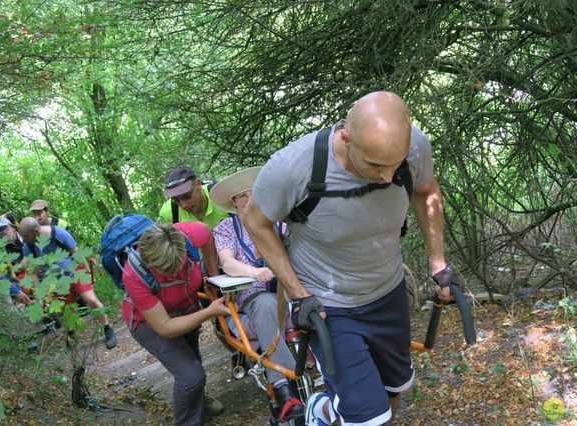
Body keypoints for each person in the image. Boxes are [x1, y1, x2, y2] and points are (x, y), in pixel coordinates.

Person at [243, 92, 464, 426]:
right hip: (328, 305)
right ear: (346, 138)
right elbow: (255, 221)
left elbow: (426, 191)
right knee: (370, 418)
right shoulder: (294, 167)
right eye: (376, 166)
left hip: (387, 292)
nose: (388, 178)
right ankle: (329, 411)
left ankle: (325, 411)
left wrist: (438, 263)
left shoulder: (414, 147)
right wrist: (298, 293)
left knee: (392, 394)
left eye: (395, 165)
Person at [210, 167, 304, 420]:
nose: (249, 199)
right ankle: (284, 388)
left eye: (254, 193)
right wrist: (254, 272)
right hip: (254, 293)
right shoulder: (227, 228)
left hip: (290, 287)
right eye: (242, 196)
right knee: (264, 305)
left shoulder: (279, 221)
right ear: (234, 202)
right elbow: (227, 262)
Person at [122, 222, 228, 425]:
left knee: (193, 362)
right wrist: (209, 312)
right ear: (150, 261)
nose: (177, 272)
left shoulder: (189, 235)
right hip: (149, 323)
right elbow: (165, 327)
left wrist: (215, 278)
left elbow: (207, 235)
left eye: (180, 263)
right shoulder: (134, 274)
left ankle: (200, 403)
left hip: (187, 308)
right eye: (168, 269)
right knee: (191, 376)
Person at [18, 217, 117, 349]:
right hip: (56, 282)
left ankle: (107, 328)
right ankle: (72, 334)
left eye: (25, 236)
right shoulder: (28, 246)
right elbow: (32, 273)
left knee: (91, 300)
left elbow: (76, 253)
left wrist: (87, 271)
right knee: (66, 311)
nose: (23, 239)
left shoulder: (58, 233)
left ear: (36, 231)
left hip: (75, 272)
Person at [157, 166, 228, 229]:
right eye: (176, 200)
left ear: (198, 184)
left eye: (187, 196)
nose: (184, 205)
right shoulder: (169, 213)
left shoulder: (222, 195)